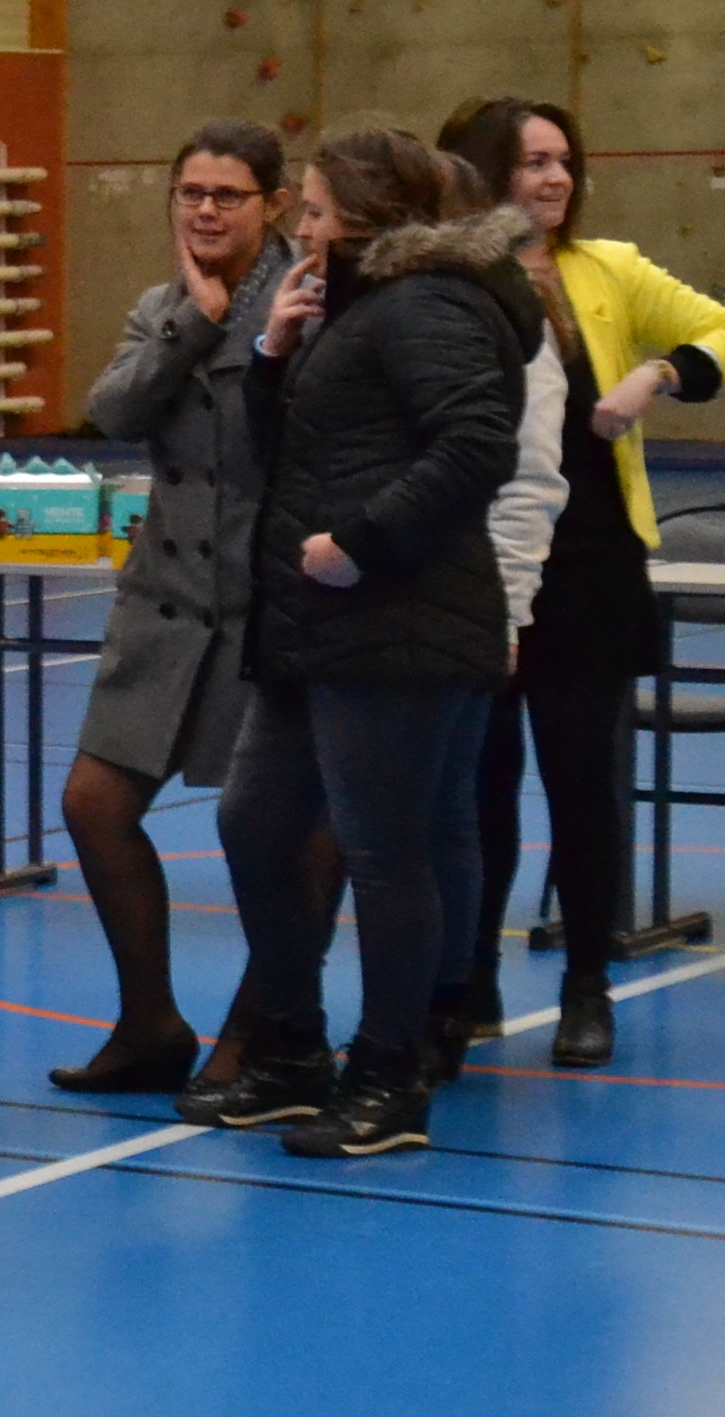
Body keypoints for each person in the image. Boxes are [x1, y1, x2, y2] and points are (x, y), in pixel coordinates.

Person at [206, 127, 531, 1157]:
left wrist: (364, 542)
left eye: (313, 210)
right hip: (314, 627)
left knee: (387, 855)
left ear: (367, 217)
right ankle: (293, 1049)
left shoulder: (425, 305)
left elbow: (477, 443)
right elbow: (293, 452)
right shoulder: (355, 308)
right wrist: (273, 354)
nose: (301, 229)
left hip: (396, 623)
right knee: (255, 822)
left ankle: (390, 1074)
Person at [438, 97, 725, 1070]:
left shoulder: (610, 271)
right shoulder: (452, 282)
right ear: (481, 174)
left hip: (589, 569)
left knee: (583, 785)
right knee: (476, 787)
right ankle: (473, 980)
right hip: (476, 567)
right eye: (531, 162)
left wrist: (661, 372)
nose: (554, 180)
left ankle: (589, 985)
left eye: (563, 162)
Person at [51, 125, 296, 1093]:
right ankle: (150, 1022)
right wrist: (189, 321)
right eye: (189, 192)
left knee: (277, 829)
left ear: (273, 204)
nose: (204, 210)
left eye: (227, 195)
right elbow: (112, 411)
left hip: (263, 610)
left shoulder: (304, 302)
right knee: (93, 805)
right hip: (164, 606)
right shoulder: (161, 306)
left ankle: (255, 1026)